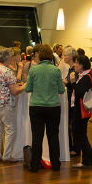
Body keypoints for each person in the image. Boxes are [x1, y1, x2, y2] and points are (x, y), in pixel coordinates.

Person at [24, 44, 65, 172]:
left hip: (36, 106)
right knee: (53, 136)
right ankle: (56, 164)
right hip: (53, 107)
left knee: (37, 136)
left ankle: (35, 165)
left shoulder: (33, 70)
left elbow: (27, 88)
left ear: (39, 56)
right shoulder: (56, 70)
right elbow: (61, 90)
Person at [0, 47, 25, 162]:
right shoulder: (7, 71)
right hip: (5, 103)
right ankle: (7, 156)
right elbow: (14, 91)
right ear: (8, 58)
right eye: (12, 56)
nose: (13, 58)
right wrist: (25, 85)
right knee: (10, 128)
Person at [69, 54, 92, 169]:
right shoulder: (86, 75)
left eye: (76, 63)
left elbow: (80, 92)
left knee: (80, 135)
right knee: (81, 134)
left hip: (81, 110)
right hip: (82, 109)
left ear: (81, 65)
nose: (74, 65)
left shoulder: (85, 77)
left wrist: (72, 82)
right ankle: (90, 159)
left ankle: (87, 160)